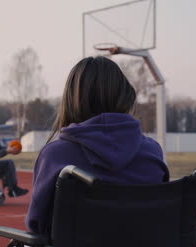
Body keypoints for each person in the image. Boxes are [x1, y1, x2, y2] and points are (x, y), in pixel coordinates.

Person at [26, 56, 169, 237]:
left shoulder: (55, 155)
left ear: (72, 100)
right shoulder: (152, 152)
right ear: (125, 96)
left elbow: (37, 224)